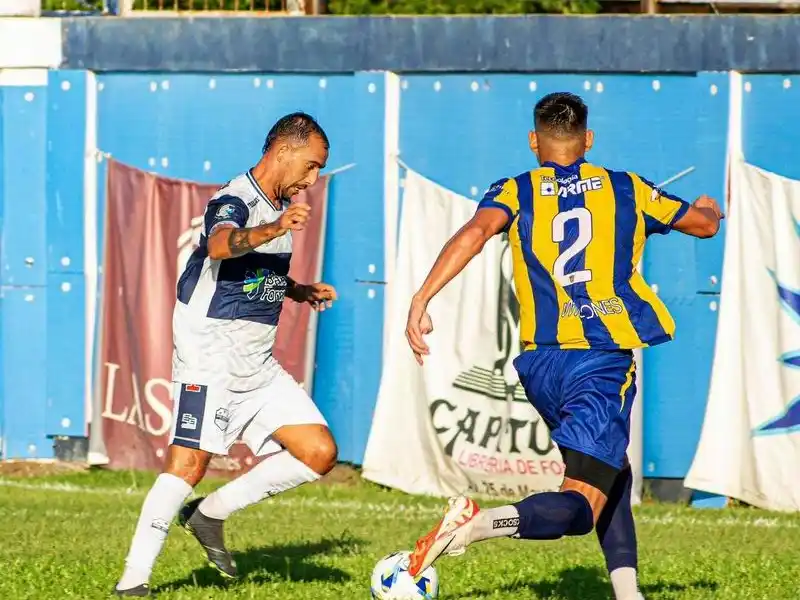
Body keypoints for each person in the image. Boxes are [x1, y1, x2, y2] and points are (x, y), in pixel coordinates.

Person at [403, 92, 724, 600]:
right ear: (588, 140)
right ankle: (473, 525)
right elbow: (703, 225)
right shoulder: (627, 188)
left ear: (535, 141)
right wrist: (709, 209)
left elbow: (474, 233)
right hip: (599, 358)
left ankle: (626, 591)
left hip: (540, 364)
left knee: (609, 465)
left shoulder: (514, 190)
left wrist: (422, 296)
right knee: (578, 506)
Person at [115, 112, 339, 597]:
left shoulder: (279, 204)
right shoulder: (235, 199)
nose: (312, 179)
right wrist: (272, 228)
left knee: (318, 452)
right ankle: (133, 583)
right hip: (209, 361)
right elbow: (219, 247)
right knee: (188, 466)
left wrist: (297, 291)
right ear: (282, 151)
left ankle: (208, 514)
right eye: (311, 165)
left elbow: (252, 274)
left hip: (256, 365)